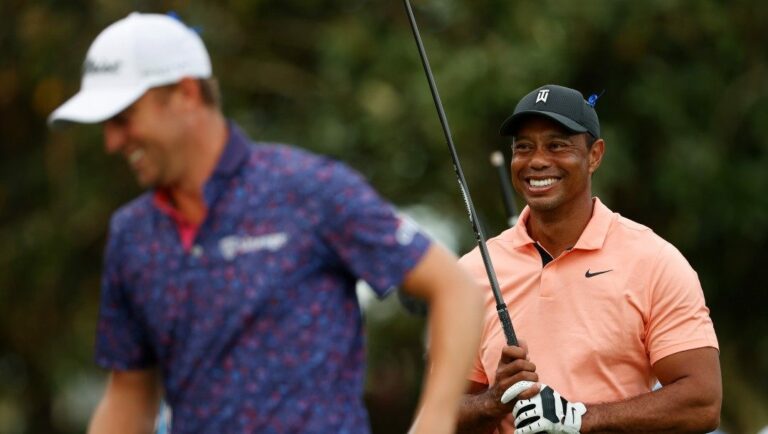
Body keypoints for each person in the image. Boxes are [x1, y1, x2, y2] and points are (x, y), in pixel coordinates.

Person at [48, 12, 484, 434]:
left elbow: (454, 289)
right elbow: (128, 396)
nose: (111, 141)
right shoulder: (132, 236)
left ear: (184, 94)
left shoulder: (308, 190)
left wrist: (435, 420)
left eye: (123, 120)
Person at [455, 84, 721, 433]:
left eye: (557, 145)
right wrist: (492, 402)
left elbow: (702, 402)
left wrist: (579, 419)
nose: (536, 160)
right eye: (523, 147)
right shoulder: (473, 272)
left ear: (594, 155)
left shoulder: (654, 261)